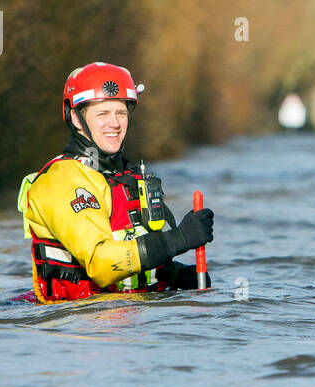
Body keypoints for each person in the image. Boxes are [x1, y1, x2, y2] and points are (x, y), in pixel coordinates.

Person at [17, 62, 214, 303]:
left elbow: (131, 247)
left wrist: (174, 274)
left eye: (121, 112)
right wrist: (179, 239)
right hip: (76, 327)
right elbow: (101, 263)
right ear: (76, 119)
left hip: (128, 323)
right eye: (102, 114)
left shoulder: (127, 176)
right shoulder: (62, 180)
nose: (115, 123)